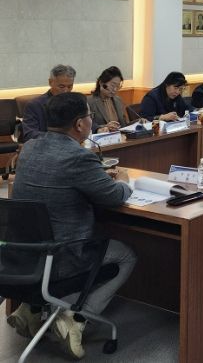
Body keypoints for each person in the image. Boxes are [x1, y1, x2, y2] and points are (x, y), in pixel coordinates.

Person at [11, 93, 136, 359]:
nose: (91, 120)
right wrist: (124, 181)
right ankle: (76, 318)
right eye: (90, 115)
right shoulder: (78, 157)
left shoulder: (29, 147)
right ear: (80, 124)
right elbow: (114, 197)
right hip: (61, 257)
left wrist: (96, 177)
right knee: (126, 256)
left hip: (22, 254)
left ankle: (31, 308)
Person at [22, 64, 77, 142]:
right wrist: (59, 139)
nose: (66, 91)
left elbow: (85, 125)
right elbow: (30, 134)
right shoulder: (34, 105)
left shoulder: (75, 103)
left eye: (69, 87)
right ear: (50, 82)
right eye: (61, 87)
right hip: (45, 146)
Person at [88, 66, 127, 131]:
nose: (115, 89)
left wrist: (138, 122)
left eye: (118, 86)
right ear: (101, 83)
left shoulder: (118, 100)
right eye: (112, 85)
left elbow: (124, 124)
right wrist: (104, 127)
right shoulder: (89, 102)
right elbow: (87, 125)